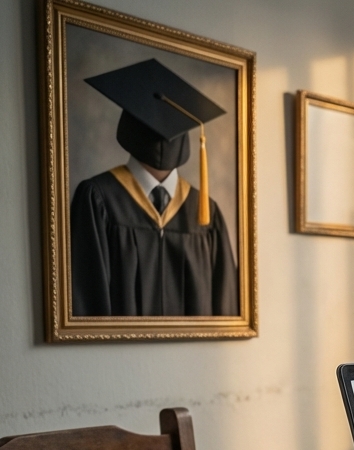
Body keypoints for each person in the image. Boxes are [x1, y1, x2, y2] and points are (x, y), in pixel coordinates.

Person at [71, 58, 238, 316]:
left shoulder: (206, 212)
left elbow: (226, 309)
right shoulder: (98, 199)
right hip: (117, 356)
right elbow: (86, 302)